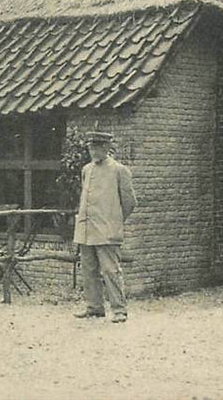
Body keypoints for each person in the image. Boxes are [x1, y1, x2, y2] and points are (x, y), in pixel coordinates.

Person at [73, 131, 137, 323]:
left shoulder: (119, 170)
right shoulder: (86, 170)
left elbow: (129, 202)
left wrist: (114, 220)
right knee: (88, 269)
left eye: (98, 147)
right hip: (86, 229)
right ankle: (94, 307)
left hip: (108, 230)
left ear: (107, 148)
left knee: (110, 270)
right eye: (91, 147)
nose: (94, 151)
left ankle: (119, 310)